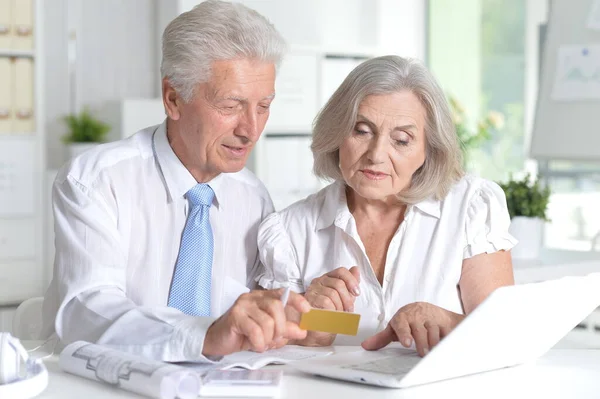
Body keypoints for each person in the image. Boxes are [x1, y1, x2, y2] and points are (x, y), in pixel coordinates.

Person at [41, 0, 311, 362]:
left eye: (263, 106)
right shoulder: (97, 181)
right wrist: (202, 335)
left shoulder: (253, 198)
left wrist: (298, 312)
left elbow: (255, 314)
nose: (251, 129)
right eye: (231, 106)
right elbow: (89, 312)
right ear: (173, 99)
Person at [256, 55, 516, 356]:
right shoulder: (289, 231)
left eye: (402, 140)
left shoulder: (471, 208)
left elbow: (505, 337)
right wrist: (314, 324)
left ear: (428, 150)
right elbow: (270, 354)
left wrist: (448, 322)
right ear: (337, 133)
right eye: (362, 131)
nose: (376, 155)